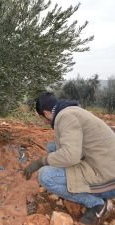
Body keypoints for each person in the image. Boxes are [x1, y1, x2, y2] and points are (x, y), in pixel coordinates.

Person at [23, 92, 115, 225]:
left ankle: (97, 204)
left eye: (42, 118)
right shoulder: (71, 111)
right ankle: (83, 187)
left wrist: (41, 162)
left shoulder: (65, 117)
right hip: (104, 163)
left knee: (45, 176)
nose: (43, 121)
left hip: (108, 178)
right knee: (52, 147)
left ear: (47, 113)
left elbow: (71, 155)